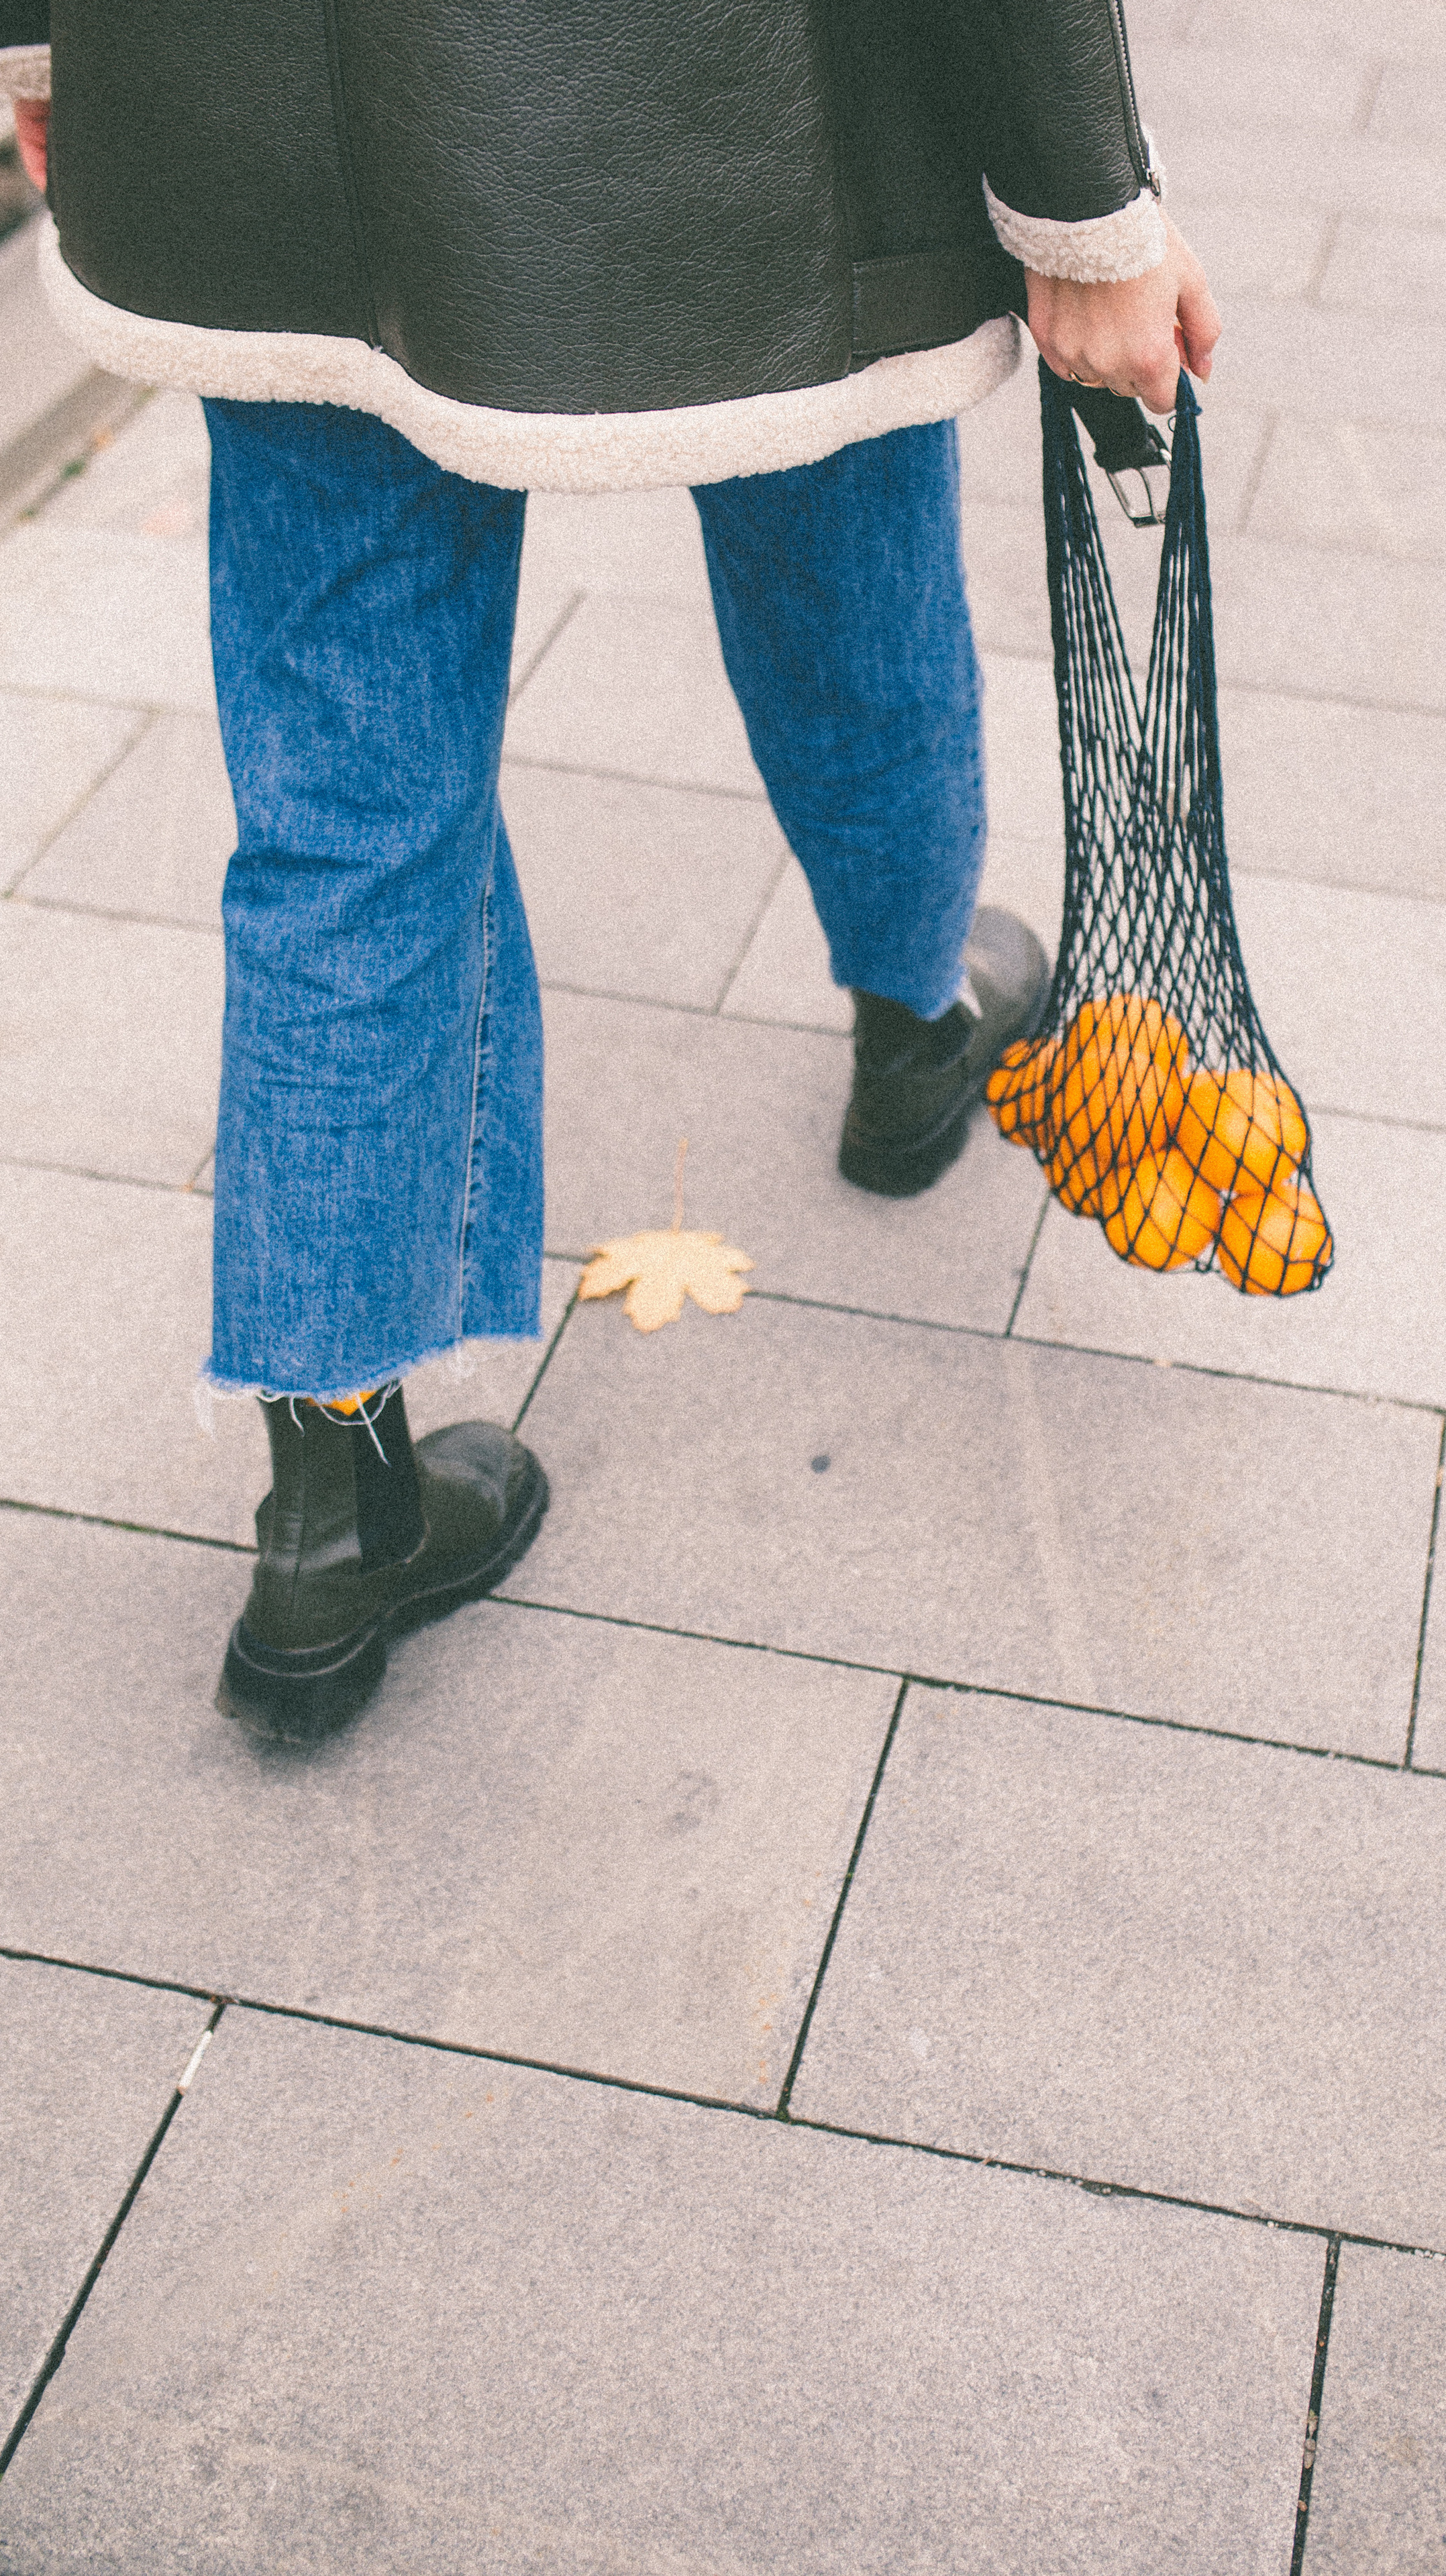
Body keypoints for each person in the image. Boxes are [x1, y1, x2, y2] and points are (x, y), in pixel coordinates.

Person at [4, 6, 1219, 1743]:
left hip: (256, 86)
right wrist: (1087, 202)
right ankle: (913, 1011)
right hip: (736, 92)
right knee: (839, 525)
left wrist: (49, 49)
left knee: (346, 791)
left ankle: (331, 1516)